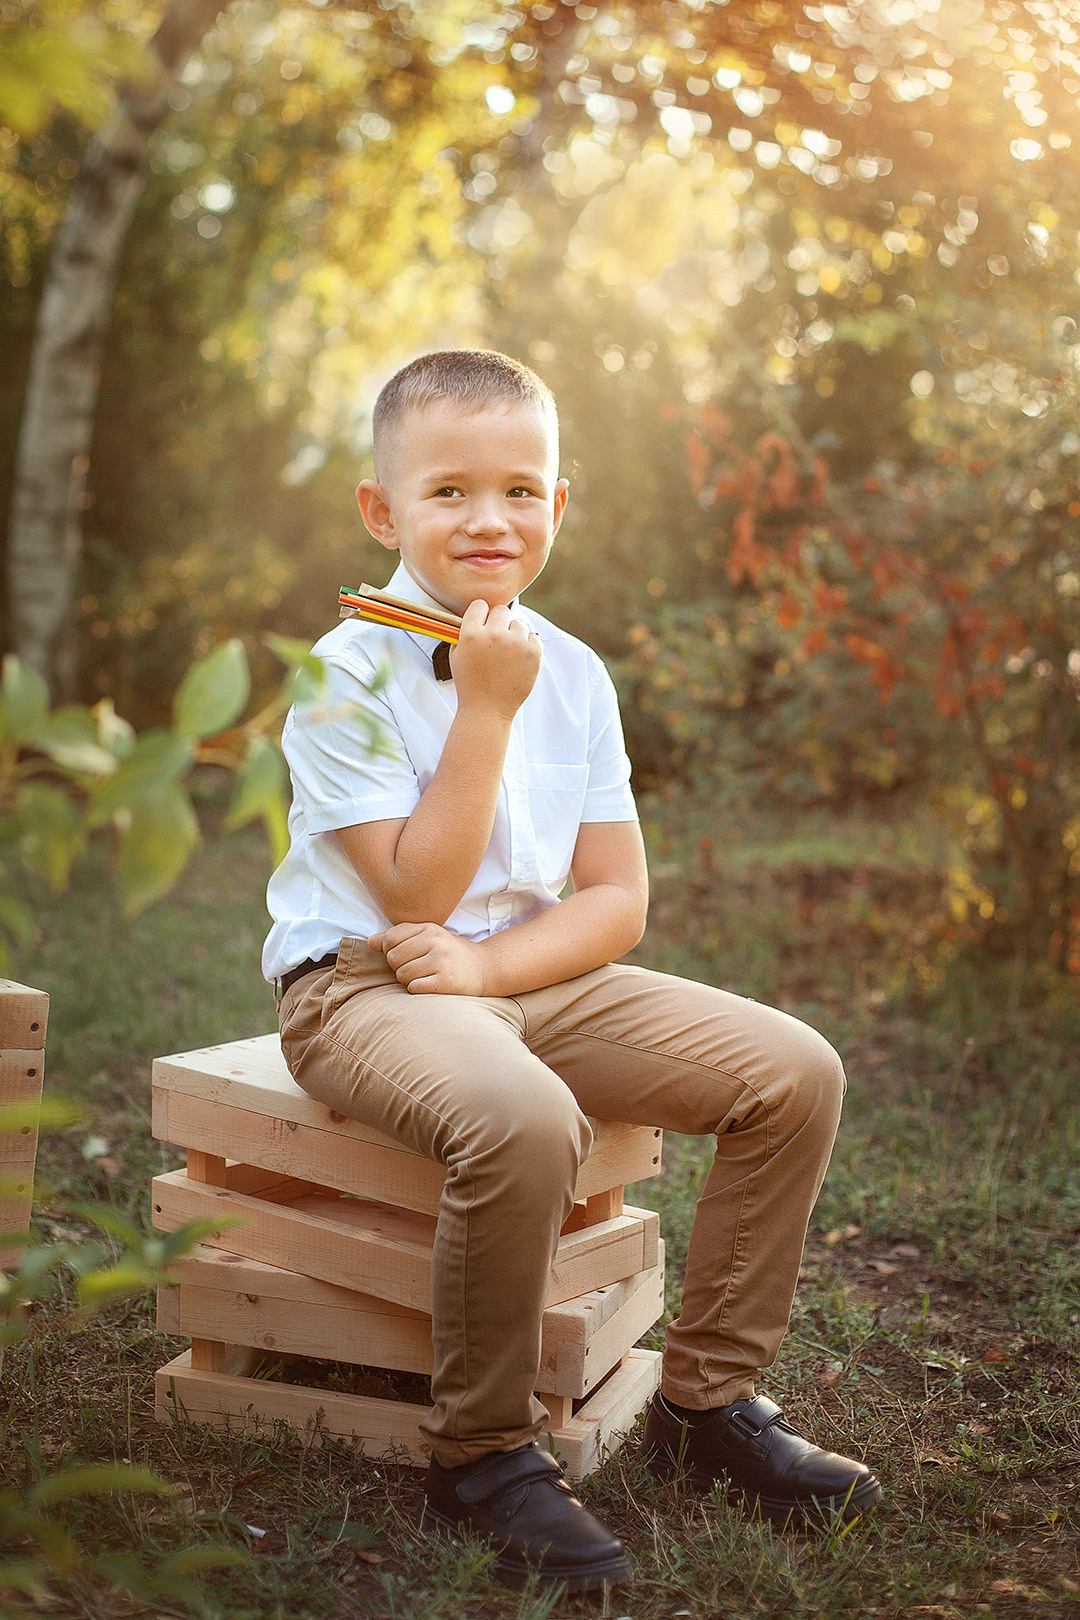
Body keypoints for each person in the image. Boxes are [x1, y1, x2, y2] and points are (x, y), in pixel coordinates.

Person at [262, 349, 881, 1592]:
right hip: (364, 987)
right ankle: (482, 1452)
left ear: (558, 504)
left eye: (520, 489)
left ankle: (707, 1407)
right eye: (448, 492)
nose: (488, 518)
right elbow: (417, 900)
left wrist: (496, 978)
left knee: (793, 1072)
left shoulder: (577, 669)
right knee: (524, 1118)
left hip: (521, 974)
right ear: (383, 511)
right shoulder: (341, 678)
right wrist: (484, 707)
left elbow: (616, 901)